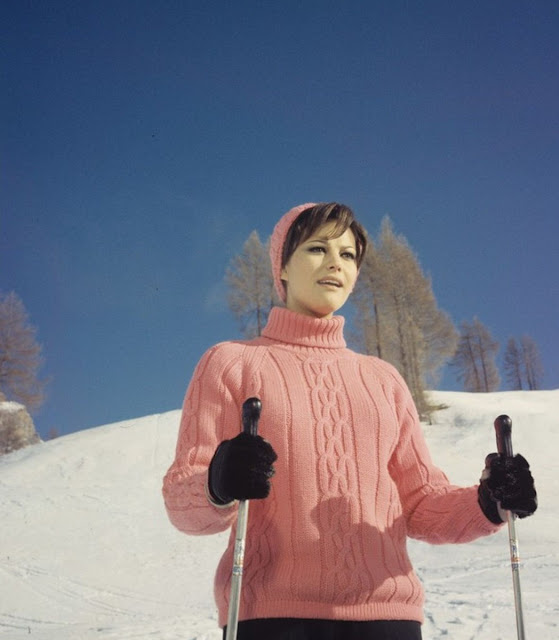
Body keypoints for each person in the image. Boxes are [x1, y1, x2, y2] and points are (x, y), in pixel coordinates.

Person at [162, 202, 537, 640]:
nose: (335, 264)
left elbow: (418, 502)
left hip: (386, 619)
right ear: (281, 267)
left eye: (348, 255)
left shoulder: (383, 379)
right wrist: (215, 482)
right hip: (272, 617)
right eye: (317, 249)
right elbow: (182, 501)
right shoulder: (231, 363)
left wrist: (488, 501)